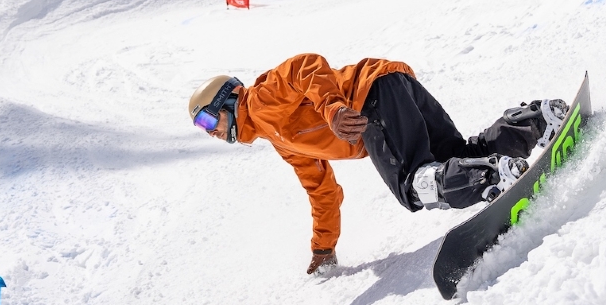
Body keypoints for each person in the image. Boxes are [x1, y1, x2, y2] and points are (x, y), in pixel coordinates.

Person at [187, 54, 567, 275]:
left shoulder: (257, 101)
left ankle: (492, 176)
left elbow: (304, 68)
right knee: (454, 156)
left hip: (369, 100)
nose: (210, 131)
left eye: (207, 119)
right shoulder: (282, 141)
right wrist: (323, 248)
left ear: (230, 97)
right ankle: (535, 122)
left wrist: (333, 108)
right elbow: (322, 191)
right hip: (391, 83)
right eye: (201, 128)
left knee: (415, 185)